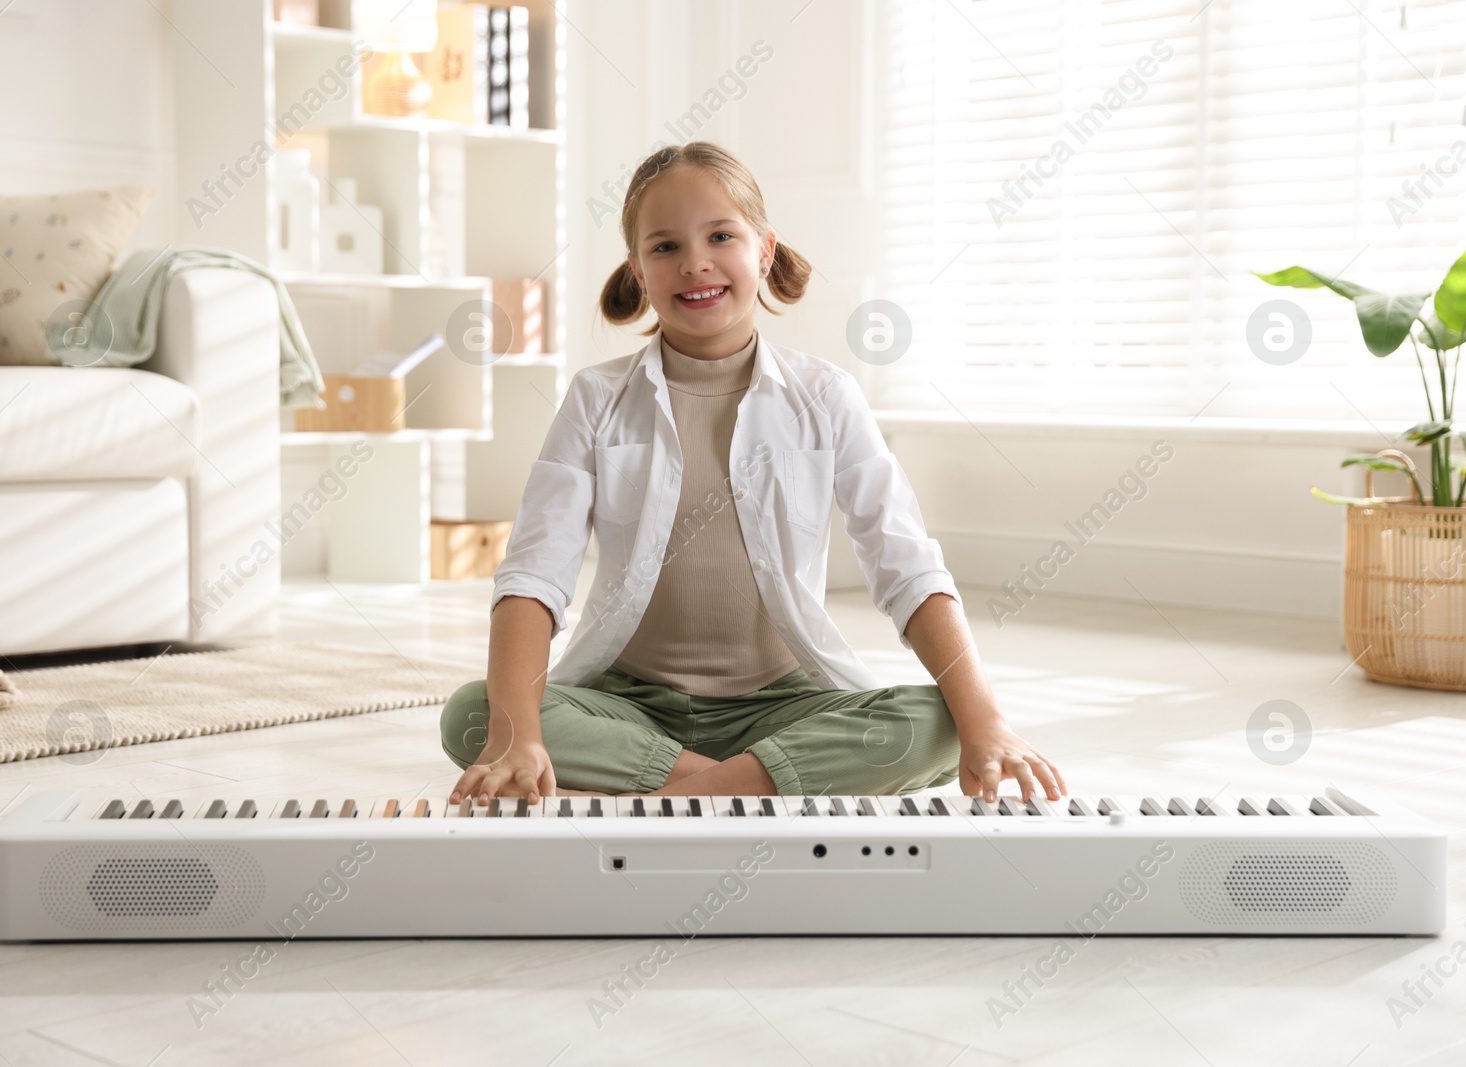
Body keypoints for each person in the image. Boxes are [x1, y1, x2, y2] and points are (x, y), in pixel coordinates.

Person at [442, 141, 1065, 807]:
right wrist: (519, 735)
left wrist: (986, 723)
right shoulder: (595, 399)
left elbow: (907, 568)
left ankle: (673, 788)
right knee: (477, 714)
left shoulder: (826, 395)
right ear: (639, 272)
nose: (695, 264)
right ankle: (750, 783)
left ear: (763, 250)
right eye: (665, 247)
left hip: (783, 706)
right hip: (626, 703)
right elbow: (535, 576)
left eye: (720, 236)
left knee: (943, 724)